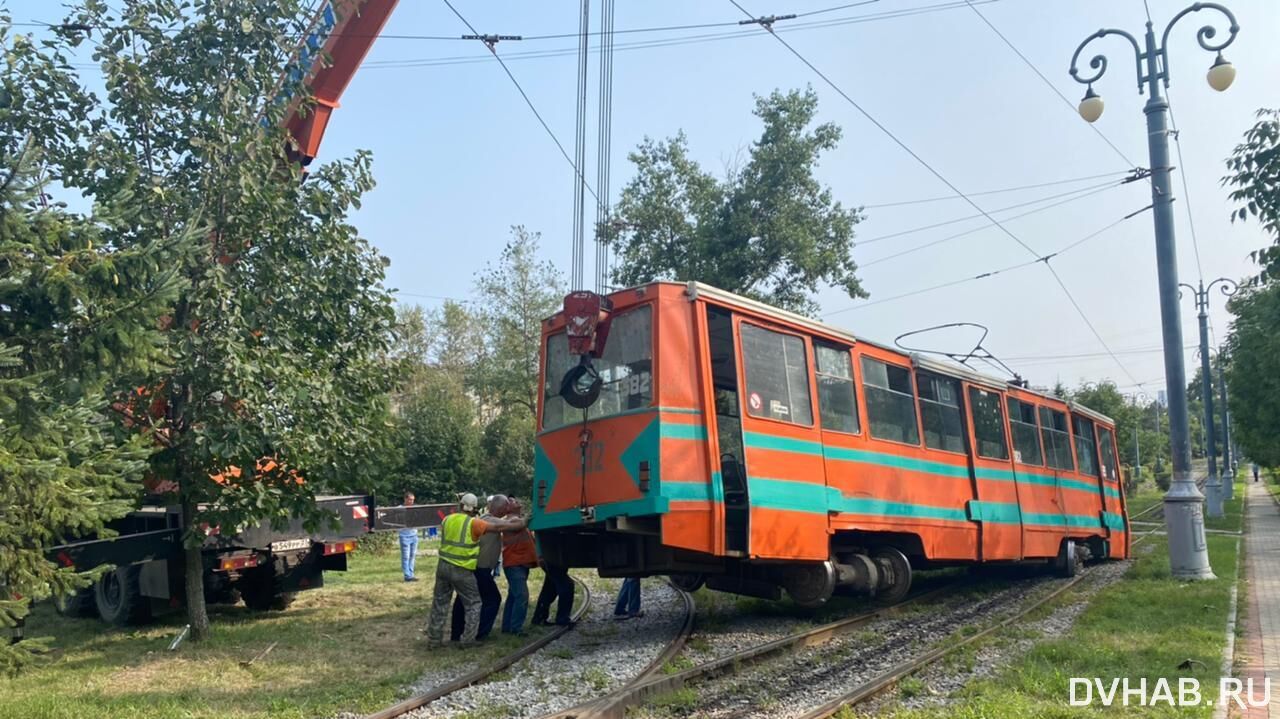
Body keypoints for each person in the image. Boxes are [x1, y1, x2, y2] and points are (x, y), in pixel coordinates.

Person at [426, 493, 526, 647]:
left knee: (441, 603)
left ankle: (435, 640)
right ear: (474, 508)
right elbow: (501, 526)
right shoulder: (476, 523)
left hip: (443, 566)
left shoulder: (447, 519)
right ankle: (469, 639)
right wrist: (525, 521)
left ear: (460, 505)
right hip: (464, 568)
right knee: (476, 603)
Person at [450, 495, 513, 641]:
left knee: (463, 599)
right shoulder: (489, 520)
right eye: (506, 506)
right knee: (493, 599)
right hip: (480, 569)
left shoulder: (484, 518)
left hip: (473, 567)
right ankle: (480, 633)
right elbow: (508, 524)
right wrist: (525, 520)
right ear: (501, 508)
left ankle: (457, 633)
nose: (507, 509)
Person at [500, 499, 538, 635]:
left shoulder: (517, 520)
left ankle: (507, 627)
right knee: (522, 595)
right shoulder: (511, 521)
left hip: (520, 563)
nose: (517, 502)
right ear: (508, 508)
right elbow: (520, 525)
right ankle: (516, 628)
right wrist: (528, 517)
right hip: (514, 564)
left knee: (513, 595)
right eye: (512, 501)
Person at [531, 560, 575, 627]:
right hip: (551, 560)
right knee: (567, 585)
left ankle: (539, 617)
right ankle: (562, 619)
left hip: (550, 559)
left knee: (550, 588)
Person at [399, 491, 420, 582]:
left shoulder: (415, 508)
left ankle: (411, 574)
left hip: (414, 535)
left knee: (412, 556)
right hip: (404, 536)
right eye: (410, 500)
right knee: (406, 557)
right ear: (405, 499)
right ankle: (407, 576)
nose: (412, 502)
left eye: (413, 500)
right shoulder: (399, 508)